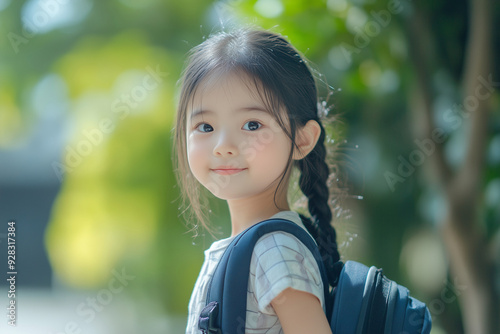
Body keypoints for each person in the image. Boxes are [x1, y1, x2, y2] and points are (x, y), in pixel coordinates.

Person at [175, 28, 342, 334]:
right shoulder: (250, 249)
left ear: (302, 140)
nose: (222, 145)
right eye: (205, 126)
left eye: (252, 125)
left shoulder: (274, 250)